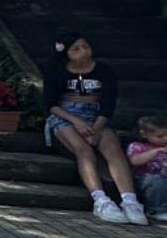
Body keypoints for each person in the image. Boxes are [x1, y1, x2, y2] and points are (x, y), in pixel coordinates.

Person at [43, 32, 146, 224]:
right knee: (83, 150)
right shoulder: (56, 71)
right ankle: (100, 200)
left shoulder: (103, 71)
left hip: (96, 114)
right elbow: (51, 104)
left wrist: (97, 128)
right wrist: (77, 122)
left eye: (86, 46)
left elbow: (108, 103)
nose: (83, 52)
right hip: (67, 115)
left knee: (112, 148)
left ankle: (130, 200)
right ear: (67, 53)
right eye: (76, 49)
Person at [128, 115, 167, 222]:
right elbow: (134, 161)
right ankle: (156, 210)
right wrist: (155, 152)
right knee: (156, 182)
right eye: (160, 136)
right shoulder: (137, 146)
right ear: (144, 134)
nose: (165, 139)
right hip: (145, 180)